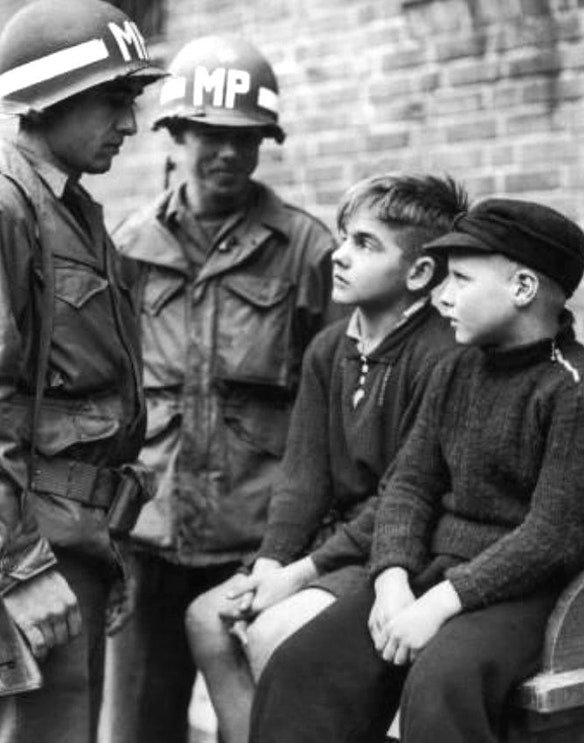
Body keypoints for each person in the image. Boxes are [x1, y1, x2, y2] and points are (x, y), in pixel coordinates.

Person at [250, 198, 584, 743]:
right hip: (438, 571)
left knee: (442, 682)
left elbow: (552, 540)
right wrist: (391, 583)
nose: (442, 295)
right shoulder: (456, 369)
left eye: (459, 279)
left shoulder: (581, 392)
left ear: (523, 289)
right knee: (305, 666)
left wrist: (437, 605)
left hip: (539, 592)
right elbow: (408, 486)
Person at [0, 2, 165, 742]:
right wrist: (17, 567)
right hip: (12, 554)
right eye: (116, 99)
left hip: (65, 540)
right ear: (54, 98)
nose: (131, 123)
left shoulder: (69, 210)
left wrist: (100, 546)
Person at [100, 35, 336, 743]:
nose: (228, 153)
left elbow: (332, 406)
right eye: (209, 134)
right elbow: (102, 391)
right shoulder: (127, 246)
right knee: (140, 727)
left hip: (255, 545)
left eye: (247, 138)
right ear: (173, 135)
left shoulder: (307, 251)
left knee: (261, 727)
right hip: (146, 535)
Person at [184, 173, 468, 743]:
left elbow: (405, 498)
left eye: (364, 244)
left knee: (271, 633)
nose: (338, 255)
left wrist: (299, 576)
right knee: (208, 619)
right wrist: (271, 563)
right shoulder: (329, 348)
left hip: (399, 552)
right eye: (343, 237)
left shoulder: (442, 356)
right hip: (332, 549)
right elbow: (302, 476)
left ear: (418, 273)